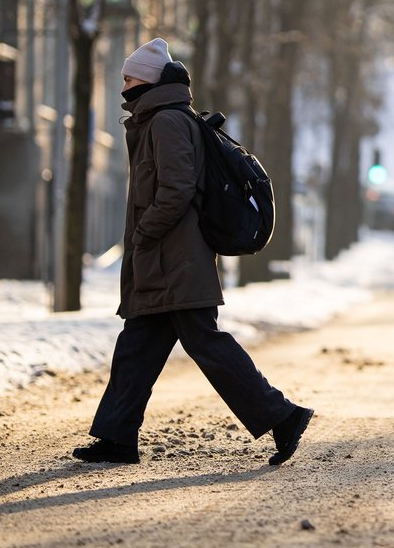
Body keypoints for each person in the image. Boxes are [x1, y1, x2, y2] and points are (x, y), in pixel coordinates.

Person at [72, 37, 312, 466]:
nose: (122, 86)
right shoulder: (157, 120)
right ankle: (116, 437)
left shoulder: (166, 122)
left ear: (145, 81)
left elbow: (178, 188)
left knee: (207, 344)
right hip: (165, 260)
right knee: (137, 348)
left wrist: (145, 234)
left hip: (174, 260)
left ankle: (283, 417)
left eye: (128, 77)